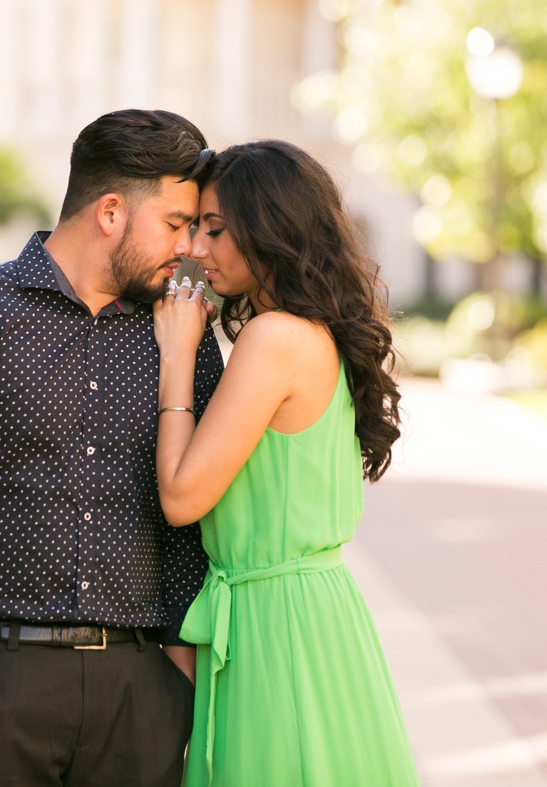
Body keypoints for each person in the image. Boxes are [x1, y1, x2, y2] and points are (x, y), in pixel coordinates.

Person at [0, 109, 224, 786]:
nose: (189, 249)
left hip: (139, 692)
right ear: (111, 212)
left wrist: (174, 681)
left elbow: (194, 512)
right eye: (177, 224)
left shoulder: (180, 334)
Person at [153, 139, 420, 786]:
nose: (195, 249)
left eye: (214, 230)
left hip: (281, 629)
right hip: (310, 613)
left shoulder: (274, 338)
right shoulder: (310, 333)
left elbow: (182, 496)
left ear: (269, 226)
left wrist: (178, 352)